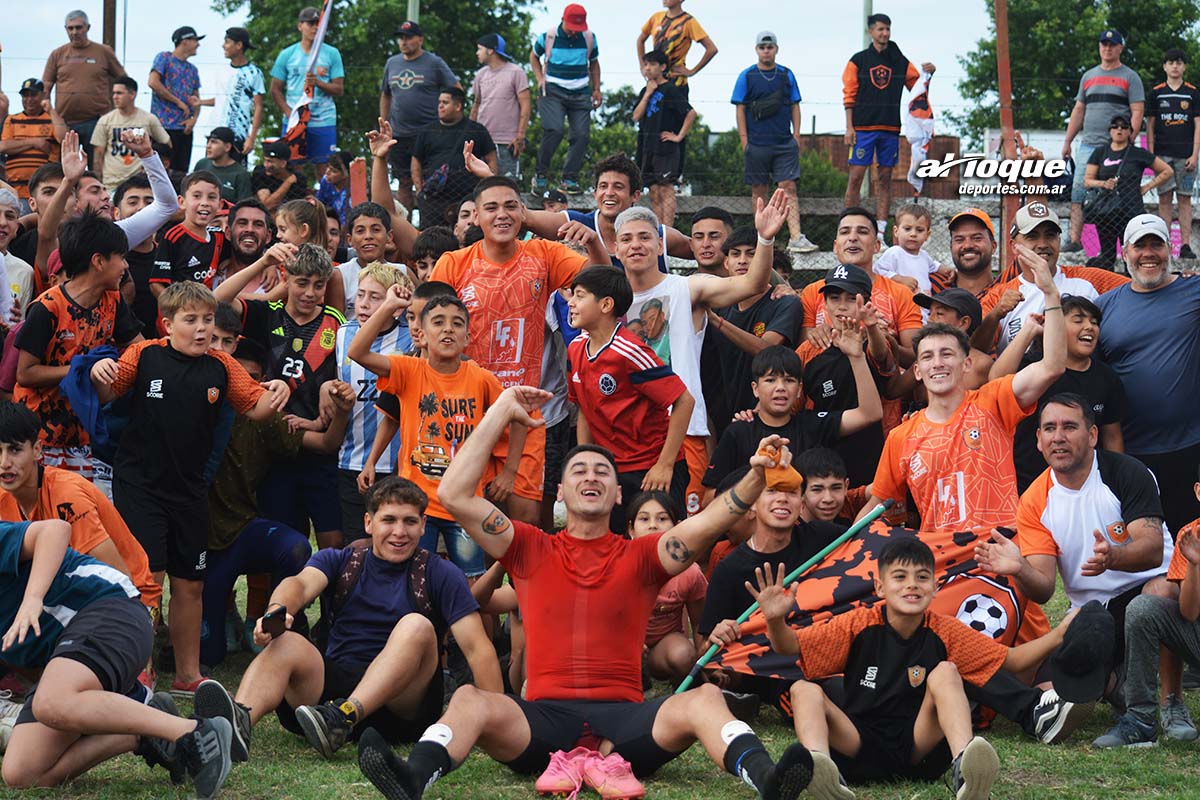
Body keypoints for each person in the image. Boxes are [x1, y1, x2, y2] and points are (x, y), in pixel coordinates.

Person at [356, 386, 818, 800]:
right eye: (579, 470)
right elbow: (455, 494)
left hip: (626, 721)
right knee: (469, 700)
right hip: (540, 720)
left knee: (703, 700)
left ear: (618, 494)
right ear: (561, 491)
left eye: (602, 471)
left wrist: (757, 476)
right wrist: (500, 411)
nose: (591, 476)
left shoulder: (644, 556)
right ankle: (413, 778)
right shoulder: (528, 546)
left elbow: (710, 522)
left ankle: (768, 780)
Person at [90, 281, 290, 696]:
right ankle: (139, 670)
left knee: (189, 583)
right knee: (148, 578)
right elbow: (107, 391)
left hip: (191, 491)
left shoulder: (221, 366)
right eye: (191, 320)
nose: (202, 329)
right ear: (167, 324)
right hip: (140, 485)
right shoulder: (144, 355)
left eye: (208, 320)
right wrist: (97, 372)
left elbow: (256, 408)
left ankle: (187, 674)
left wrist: (281, 390)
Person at [231, 476, 499, 760]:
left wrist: (499, 718)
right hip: (326, 702)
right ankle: (234, 725)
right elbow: (299, 583)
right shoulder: (342, 560)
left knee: (417, 625)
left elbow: (477, 648)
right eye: (389, 520)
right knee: (287, 643)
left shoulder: (440, 573)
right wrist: (277, 610)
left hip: (401, 705)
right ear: (369, 523)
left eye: (409, 521)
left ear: (423, 526)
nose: (399, 532)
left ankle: (344, 717)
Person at [0, 515, 237, 797]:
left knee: (50, 702)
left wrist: (32, 599)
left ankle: (195, 732)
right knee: (22, 772)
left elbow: (55, 529)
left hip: (111, 610)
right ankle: (144, 729)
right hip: (76, 655)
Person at [752, 539, 1005, 797]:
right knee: (803, 690)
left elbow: (1009, 659)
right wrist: (774, 621)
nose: (912, 584)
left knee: (947, 672)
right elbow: (790, 645)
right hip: (857, 743)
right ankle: (823, 771)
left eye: (922, 577)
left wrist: (1051, 639)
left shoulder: (945, 629)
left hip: (919, 748)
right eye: (900, 576)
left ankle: (965, 770)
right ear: (880, 587)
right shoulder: (858, 623)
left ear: (935, 587)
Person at [429, 176, 606, 525]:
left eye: (511, 206)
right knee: (467, 529)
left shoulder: (543, 254)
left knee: (524, 528)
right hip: (467, 410)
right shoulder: (453, 263)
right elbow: (430, 336)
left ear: (523, 213)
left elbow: (604, 283)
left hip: (523, 416)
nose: (502, 215)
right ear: (476, 216)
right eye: (491, 208)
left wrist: (596, 245)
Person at [858, 241, 1067, 532]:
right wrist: (840, 555)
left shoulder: (993, 402)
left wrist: (1050, 293)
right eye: (928, 357)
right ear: (917, 370)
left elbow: (1053, 366)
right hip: (941, 563)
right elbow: (876, 505)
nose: (938, 363)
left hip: (998, 557)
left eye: (947, 354)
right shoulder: (900, 437)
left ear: (966, 363)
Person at [622, 194, 787, 519]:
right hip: (627, 431)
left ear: (660, 244)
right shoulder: (610, 298)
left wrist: (765, 239)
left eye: (644, 237)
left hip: (683, 432)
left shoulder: (688, 288)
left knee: (688, 529)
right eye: (627, 238)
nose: (636, 245)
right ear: (616, 247)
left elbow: (753, 282)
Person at [350, 287, 521, 582]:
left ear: (468, 337)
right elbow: (357, 352)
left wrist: (509, 472)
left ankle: (478, 630)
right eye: (438, 321)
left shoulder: (480, 378)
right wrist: (389, 305)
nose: (448, 329)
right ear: (421, 335)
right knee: (414, 581)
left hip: (466, 506)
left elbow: (518, 415)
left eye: (457, 323)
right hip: (417, 505)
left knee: (472, 584)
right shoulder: (408, 370)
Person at [200, 342, 350, 669]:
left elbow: (326, 443)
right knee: (209, 656)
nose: (241, 388)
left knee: (296, 546)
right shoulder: (196, 409)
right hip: (202, 542)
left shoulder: (263, 417)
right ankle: (214, 623)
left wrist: (342, 411)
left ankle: (271, 624)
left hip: (242, 531)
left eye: (251, 379)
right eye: (234, 379)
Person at [215, 242, 347, 551]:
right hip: (273, 449)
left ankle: (333, 602)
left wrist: (328, 396)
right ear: (286, 277)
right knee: (287, 542)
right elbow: (216, 300)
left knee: (333, 541)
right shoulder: (266, 313)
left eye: (319, 285)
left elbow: (346, 375)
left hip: (320, 450)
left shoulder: (337, 323)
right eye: (302, 283)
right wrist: (262, 262)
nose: (310, 293)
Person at [14, 205, 144, 477]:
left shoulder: (114, 300)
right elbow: (25, 374)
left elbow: (138, 347)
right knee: (38, 513)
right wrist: (82, 368)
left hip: (80, 438)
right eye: (121, 257)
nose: (126, 265)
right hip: (36, 437)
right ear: (98, 261)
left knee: (72, 508)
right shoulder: (47, 308)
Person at [566, 265, 694, 530]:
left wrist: (664, 464)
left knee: (658, 550)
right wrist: (586, 461)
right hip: (611, 470)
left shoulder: (629, 351)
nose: (571, 303)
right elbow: (586, 412)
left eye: (579, 295)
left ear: (606, 305)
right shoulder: (575, 348)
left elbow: (684, 401)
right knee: (613, 547)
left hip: (651, 469)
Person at [0, 400, 159, 614]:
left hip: (132, 602)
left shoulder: (67, 495)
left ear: (37, 450)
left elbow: (120, 582)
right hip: (67, 595)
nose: (4, 463)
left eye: (15, 450)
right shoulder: (4, 493)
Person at [1097, 213, 1200, 535]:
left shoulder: (1194, 289)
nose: (1148, 253)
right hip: (1132, 451)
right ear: (1125, 253)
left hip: (1191, 447)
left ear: (1169, 249)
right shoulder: (1103, 307)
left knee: (1192, 544)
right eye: (1139, 246)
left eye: (1156, 244)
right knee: (1142, 548)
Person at [703, 343, 881, 504]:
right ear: (755, 389)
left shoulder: (813, 424)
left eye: (789, 380)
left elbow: (869, 413)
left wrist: (856, 357)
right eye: (770, 380)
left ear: (799, 390)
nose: (780, 387)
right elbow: (709, 499)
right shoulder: (737, 432)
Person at [1098, 476, 1200, 747]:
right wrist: (1194, 565)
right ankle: (1141, 719)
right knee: (1144, 608)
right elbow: (1188, 614)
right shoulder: (1190, 536)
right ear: (1199, 492)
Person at [988, 295, 1125, 492]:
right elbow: (996, 382)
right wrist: (1029, 331)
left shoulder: (1107, 377)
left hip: (1083, 486)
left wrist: (1115, 482)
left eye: (1094, 322)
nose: (1089, 327)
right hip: (1027, 484)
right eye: (1078, 320)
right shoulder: (1034, 367)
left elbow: (1112, 436)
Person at [334, 262, 412, 540]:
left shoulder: (409, 339)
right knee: (358, 544)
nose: (363, 303)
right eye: (361, 294)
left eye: (375, 297)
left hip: (397, 463)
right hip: (352, 459)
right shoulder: (343, 334)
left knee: (397, 540)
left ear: (396, 305)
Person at [841, 14, 932, 240]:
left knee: (884, 178)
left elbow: (917, 84)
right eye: (880, 29)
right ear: (870, 32)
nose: (885, 34)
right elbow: (849, 93)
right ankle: (848, 223)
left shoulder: (898, 58)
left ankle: (880, 231)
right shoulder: (858, 60)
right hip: (863, 127)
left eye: (887, 29)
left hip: (890, 128)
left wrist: (929, 73)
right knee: (856, 177)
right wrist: (849, 127)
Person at [732, 31, 817, 254]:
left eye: (770, 47)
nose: (766, 51)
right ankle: (761, 235)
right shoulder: (747, 76)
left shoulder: (786, 75)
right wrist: (744, 141)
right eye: (762, 47)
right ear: (757, 50)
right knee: (759, 190)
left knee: (788, 187)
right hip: (757, 143)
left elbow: (795, 105)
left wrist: (797, 135)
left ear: (776, 49)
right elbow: (739, 107)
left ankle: (796, 236)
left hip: (783, 142)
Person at [1061, 29, 1145, 254]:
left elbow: (1138, 110)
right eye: (1104, 44)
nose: (1107, 48)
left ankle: (1124, 246)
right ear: (1099, 47)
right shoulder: (1088, 76)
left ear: (1120, 48)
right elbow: (1079, 109)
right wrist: (1068, 140)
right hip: (1087, 144)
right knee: (1079, 191)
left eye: (1112, 44)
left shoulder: (1130, 77)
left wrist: (1129, 140)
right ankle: (1075, 239)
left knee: (1118, 194)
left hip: (1115, 147)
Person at [706, 227, 802, 423]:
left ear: (765, 260)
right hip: (725, 415)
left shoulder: (785, 302)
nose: (742, 260)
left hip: (771, 417)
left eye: (752, 253)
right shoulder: (719, 305)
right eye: (735, 254)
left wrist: (717, 321)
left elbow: (766, 349)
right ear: (726, 262)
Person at [977, 203, 1099, 355]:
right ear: (1014, 246)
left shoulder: (1086, 282)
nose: (1042, 244)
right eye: (1032, 236)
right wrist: (995, 315)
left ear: (1059, 241)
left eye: (1050, 235)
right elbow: (976, 352)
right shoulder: (999, 296)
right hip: (1019, 377)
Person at [627, 491, 707, 684]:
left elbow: (698, 623)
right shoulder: (617, 566)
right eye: (644, 519)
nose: (653, 525)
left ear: (677, 527)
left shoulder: (689, 572)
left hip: (664, 646)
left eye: (662, 518)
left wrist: (704, 664)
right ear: (631, 530)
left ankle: (687, 687)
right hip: (623, 646)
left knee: (683, 655)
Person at [380, 20, 460, 212]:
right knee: (404, 182)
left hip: (429, 133)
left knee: (433, 180)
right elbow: (385, 94)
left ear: (420, 39)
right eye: (401, 38)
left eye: (408, 37)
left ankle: (433, 226)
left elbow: (456, 89)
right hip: (400, 134)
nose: (404, 42)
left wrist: (447, 120)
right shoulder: (392, 63)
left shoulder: (434, 62)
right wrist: (384, 124)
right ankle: (405, 228)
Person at [1083, 114, 1171, 269]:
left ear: (1130, 131)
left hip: (1131, 211)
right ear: (1109, 131)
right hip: (1106, 213)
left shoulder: (1138, 153)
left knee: (1132, 255)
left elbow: (1167, 170)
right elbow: (1087, 180)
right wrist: (1103, 183)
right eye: (1115, 126)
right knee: (1107, 256)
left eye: (1124, 127)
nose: (1119, 130)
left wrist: (1147, 186)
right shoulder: (1100, 152)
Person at [530, 4, 602, 195]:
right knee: (554, 129)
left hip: (580, 91)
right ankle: (540, 175)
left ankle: (569, 178)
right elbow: (534, 57)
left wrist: (596, 89)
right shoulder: (549, 36)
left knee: (581, 135)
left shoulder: (588, 38)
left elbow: (594, 62)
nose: (573, 31)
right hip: (553, 89)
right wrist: (540, 80)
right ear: (563, 19)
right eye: (571, 27)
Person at [41, 10, 127, 167]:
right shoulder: (58, 54)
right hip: (64, 123)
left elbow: (122, 79)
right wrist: (48, 110)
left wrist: (117, 110)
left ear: (88, 27)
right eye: (70, 28)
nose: (75, 32)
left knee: (97, 168)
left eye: (79, 27)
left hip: (97, 121)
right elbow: (45, 85)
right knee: (65, 170)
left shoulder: (103, 52)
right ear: (66, 29)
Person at [411, 88, 496, 230]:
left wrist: (489, 187)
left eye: (445, 102)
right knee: (432, 240)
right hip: (434, 201)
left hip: (468, 199)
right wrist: (419, 190)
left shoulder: (477, 130)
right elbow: (416, 161)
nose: (440, 106)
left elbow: (491, 159)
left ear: (458, 106)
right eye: (439, 102)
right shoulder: (427, 131)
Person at [270, 7, 345, 167]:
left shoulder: (332, 53)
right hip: (295, 120)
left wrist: (318, 83)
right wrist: (289, 113)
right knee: (293, 167)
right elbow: (275, 89)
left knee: (325, 168)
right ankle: (300, 193)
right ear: (300, 26)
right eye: (310, 23)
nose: (315, 28)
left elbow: (339, 89)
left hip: (323, 120)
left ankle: (324, 193)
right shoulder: (287, 54)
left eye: (318, 24)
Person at [1148, 48, 1200, 261]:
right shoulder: (1156, 92)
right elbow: (1149, 126)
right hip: (1163, 156)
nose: (1175, 66)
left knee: (1185, 199)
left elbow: (1198, 125)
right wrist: (1152, 156)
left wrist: (1195, 154)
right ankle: (1165, 243)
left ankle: (1185, 245)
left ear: (1184, 66)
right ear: (1165, 66)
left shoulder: (1193, 93)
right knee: (1165, 200)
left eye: (1179, 62)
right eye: (1171, 62)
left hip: (1186, 156)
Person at [634, 50, 695, 228]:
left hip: (665, 147)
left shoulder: (671, 89)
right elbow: (636, 116)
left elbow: (690, 113)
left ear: (662, 67)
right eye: (646, 64)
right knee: (653, 189)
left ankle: (668, 230)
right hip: (647, 146)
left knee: (666, 187)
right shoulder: (645, 90)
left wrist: (678, 136)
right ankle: (658, 229)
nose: (648, 68)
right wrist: (648, 93)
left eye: (653, 64)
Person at [90, 76, 171, 195]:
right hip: (111, 184)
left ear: (132, 94)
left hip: (140, 183)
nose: (114, 97)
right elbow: (98, 154)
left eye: (119, 93)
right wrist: (98, 182)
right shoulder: (105, 120)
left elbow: (166, 144)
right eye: (113, 93)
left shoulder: (148, 119)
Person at [150, 171, 226, 295]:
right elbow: (156, 284)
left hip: (206, 310)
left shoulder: (219, 236)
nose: (204, 203)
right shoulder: (173, 237)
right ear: (182, 202)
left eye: (211, 197)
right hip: (180, 310)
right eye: (197, 196)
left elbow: (237, 257)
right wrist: (177, 309)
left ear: (220, 204)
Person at [472, 34, 530, 180]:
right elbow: (477, 104)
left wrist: (520, 135)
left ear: (491, 51)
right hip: (483, 140)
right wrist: (469, 133)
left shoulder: (516, 72)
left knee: (507, 184)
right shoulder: (480, 75)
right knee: (482, 185)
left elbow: (526, 105)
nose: (477, 53)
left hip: (507, 142)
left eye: (479, 49)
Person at [149, 26, 205, 173]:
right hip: (163, 127)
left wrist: (194, 119)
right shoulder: (164, 58)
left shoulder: (192, 69)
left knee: (181, 173)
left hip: (184, 129)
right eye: (195, 40)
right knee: (160, 171)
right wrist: (178, 102)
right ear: (184, 41)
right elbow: (153, 82)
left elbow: (196, 98)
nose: (198, 44)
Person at [0, 79, 64, 209]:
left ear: (43, 95)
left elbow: (63, 137)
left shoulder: (51, 119)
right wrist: (35, 142)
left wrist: (51, 110)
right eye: (25, 95)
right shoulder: (12, 119)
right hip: (17, 189)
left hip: (45, 190)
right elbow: (4, 146)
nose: (28, 99)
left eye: (33, 95)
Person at [336, 202, 405, 319]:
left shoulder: (402, 272)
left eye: (376, 230)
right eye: (360, 231)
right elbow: (334, 323)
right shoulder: (340, 275)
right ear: (350, 240)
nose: (368, 236)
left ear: (389, 236)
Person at [636, 0, 719, 95]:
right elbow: (640, 41)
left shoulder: (689, 22)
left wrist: (693, 71)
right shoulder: (656, 17)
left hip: (677, 82)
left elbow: (711, 49)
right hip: (656, 81)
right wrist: (643, 66)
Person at [874, 203, 943, 294]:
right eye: (907, 229)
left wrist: (946, 269)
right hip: (901, 305)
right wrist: (900, 279)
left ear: (927, 235)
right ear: (896, 231)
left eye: (919, 230)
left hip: (924, 306)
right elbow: (878, 270)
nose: (913, 234)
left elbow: (934, 266)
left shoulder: (924, 256)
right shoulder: (894, 252)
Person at [218, 27, 265, 160]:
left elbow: (258, 106)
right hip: (218, 133)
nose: (223, 46)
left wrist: (252, 137)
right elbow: (223, 99)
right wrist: (201, 102)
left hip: (239, 136)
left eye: (227, 42)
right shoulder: (223, 71)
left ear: (239, 45)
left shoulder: (254, 73)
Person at [194, 127, 252, 204]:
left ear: (227, 147)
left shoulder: (241, 174)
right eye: (208, 142)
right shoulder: (201, 165)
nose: (208, 146)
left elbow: (244, 207)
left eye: (214, 142)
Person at [253, 139, 308, 211]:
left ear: (283, 164)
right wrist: (288, 182)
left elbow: (296, 209)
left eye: (270, 161)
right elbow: (267, 205)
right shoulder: (260, 173)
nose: (266, 165)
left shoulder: (299, 179)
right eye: (265, 160)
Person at [316, 150, 351, 225]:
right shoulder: (326, 181)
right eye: (328, 167)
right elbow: (319, 203)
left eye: (333, 171)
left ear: (345, 175)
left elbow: (345, 223)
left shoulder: (349, 195)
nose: (327, 172)